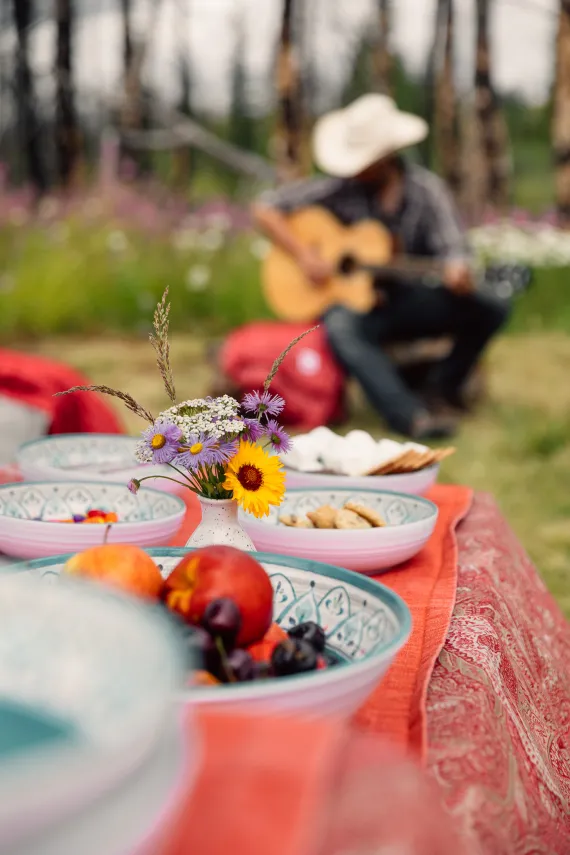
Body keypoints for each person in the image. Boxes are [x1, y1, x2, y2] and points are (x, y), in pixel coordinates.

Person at [252, 94, 509, 440]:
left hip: (409, 299)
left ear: (386, 156)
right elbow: (265, 208)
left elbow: (455, 248)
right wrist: (304, 255)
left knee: (491, 305)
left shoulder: (426, 192)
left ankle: (440, 388)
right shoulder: (339, 187)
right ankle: (410, 416)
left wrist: (457, 269)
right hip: (357, 307)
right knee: (341, 326)